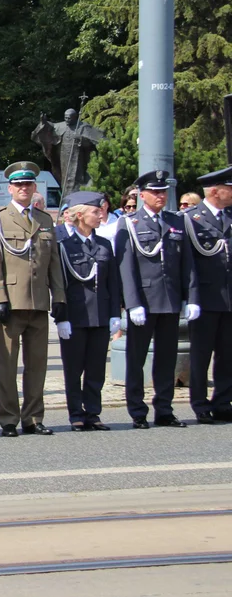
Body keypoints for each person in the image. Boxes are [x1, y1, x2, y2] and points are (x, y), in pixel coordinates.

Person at [0, 161, 67, 437]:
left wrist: (60, 297)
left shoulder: (44, 220)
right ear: (9, 189)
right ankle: (8, 418)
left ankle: (33, 417)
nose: (23, 189)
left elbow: (53, 262)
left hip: (39, 301)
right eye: (18, 185)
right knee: (7, 364)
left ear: (34, 188)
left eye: (28, 184)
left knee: (38, 363)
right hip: (11, 301)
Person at [116, 170, 197, 429]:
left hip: (170, 300)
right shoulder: (130, 222)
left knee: (166, 359)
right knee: (136, 359)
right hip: (144, 301)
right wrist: (132, 302)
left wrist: (189, 297)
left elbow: (186, 264)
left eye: (163, 192)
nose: (161, 196)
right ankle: (137, 410)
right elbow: (125, 267)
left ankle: (164, 409)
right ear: (142, 195)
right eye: (155, 192)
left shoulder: (176, 221)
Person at [56, 192, 121, 431]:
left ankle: (93, 412)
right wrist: (61, 316)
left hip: (101, 314)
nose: (100, 215)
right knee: (73, 369)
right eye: (95, 212)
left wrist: (115, 313)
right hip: (75, 316)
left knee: (96, 369)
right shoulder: (63, 245)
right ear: (80, 215)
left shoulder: (103, 244)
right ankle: (76, 413)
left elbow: (112, 282)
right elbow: (59, 283)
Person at [181, 168, 232, 423]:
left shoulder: (230, 216)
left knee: (227, 354)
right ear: (215, 191)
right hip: (205, 298)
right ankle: (200, 403)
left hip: (229, 298)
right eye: (229, 188)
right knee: (201, 354)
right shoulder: (191, 218)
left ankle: (223, 401)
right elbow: (187, 263)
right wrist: (191, 298)